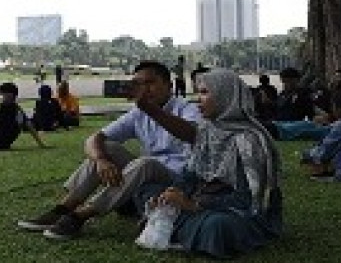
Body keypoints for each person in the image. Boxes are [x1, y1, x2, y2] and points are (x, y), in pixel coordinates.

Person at [15, 60, 201, 240]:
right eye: (138, 84)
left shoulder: (186, 108)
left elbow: (190, 134)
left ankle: (81, 216)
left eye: (150, 83)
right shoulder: (138, 113)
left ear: (169, 85)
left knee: (145, 163)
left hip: (180, 175)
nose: (144, 89)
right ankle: (63, 209)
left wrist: (150, 109)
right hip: (148, 172)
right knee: (106, 148)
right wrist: (101, 160)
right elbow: (94, 139)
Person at [137, 69, 283, 258]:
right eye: (199, 93)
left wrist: (192, 205)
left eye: (205, 93)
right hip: (201, 200)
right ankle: (182, 230)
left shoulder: (247, 139)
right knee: (147, 191)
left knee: (218, 226)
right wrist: (172, 193)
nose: (199, 100)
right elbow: (190, 174)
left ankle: (181, 231)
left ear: (225, 95)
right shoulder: (207, 129)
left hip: (235, 212)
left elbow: (246, 201)